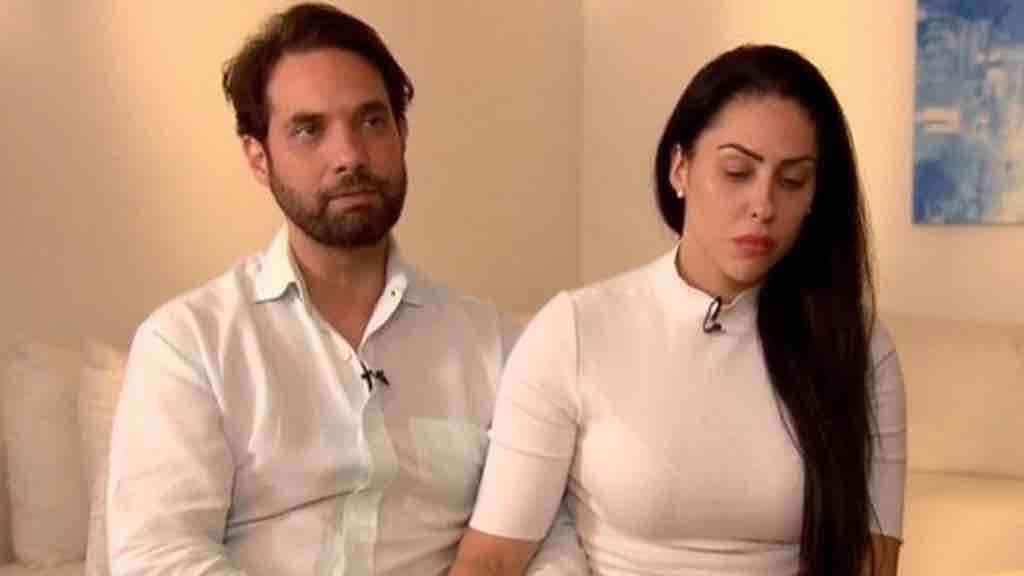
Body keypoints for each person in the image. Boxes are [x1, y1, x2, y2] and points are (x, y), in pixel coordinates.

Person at [105, 4, 587, 575]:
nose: (350, 156)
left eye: (372, 121)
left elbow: (548, 538)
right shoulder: (191, 344)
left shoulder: (496, 345)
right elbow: (160, 556)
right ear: (259, 158)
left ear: (402, 134)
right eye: (308, 130)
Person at [451, 44, 907, 576]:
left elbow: (873, 563)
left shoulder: (856, 345)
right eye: (737, 171)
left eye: (792, 180)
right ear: (680, 168)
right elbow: (493, 558)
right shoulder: (575, 330)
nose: (763, 205)